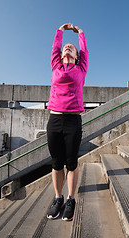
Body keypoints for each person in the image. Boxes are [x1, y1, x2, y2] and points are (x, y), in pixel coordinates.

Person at [46, 23, 88, 221]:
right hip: (54, 118)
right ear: (61, 54)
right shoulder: (56, 65)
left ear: (77, 55)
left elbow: (85, 50)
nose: (67, 47)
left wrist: (80, 33)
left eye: (71, 47)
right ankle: (58, 198)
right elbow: (55, 47)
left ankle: (71, 199)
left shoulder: (81, 68)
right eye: (65, 47)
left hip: (73, 120)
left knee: (71, 162)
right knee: (56, 162)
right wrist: (60, 31)